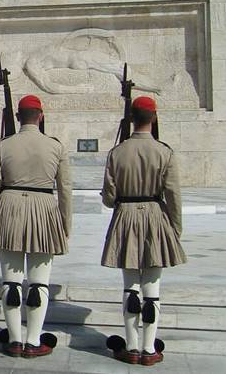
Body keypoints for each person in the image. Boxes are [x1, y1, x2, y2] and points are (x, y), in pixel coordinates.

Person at [0, 94, 71, 358]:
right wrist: (65, 226)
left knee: (11, 282)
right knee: (39, 283)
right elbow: (65, 190)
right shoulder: (55, 146)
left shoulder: (4, 145)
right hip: (44, 210)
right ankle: (33, 341)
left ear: (18, 117)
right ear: (41, 116)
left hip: (10, 209)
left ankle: (14, 340)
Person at [101, 96, 185, 367]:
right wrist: (175, 228)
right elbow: (173, 195)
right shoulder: (164, 152)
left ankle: (131, 346)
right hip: (155, 217)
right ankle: (149, 348)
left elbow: (109, 198)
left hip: (125, 216)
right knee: (152, 288)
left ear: (131, 119)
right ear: (154, 118)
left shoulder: (117, 152)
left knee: (130, 287)